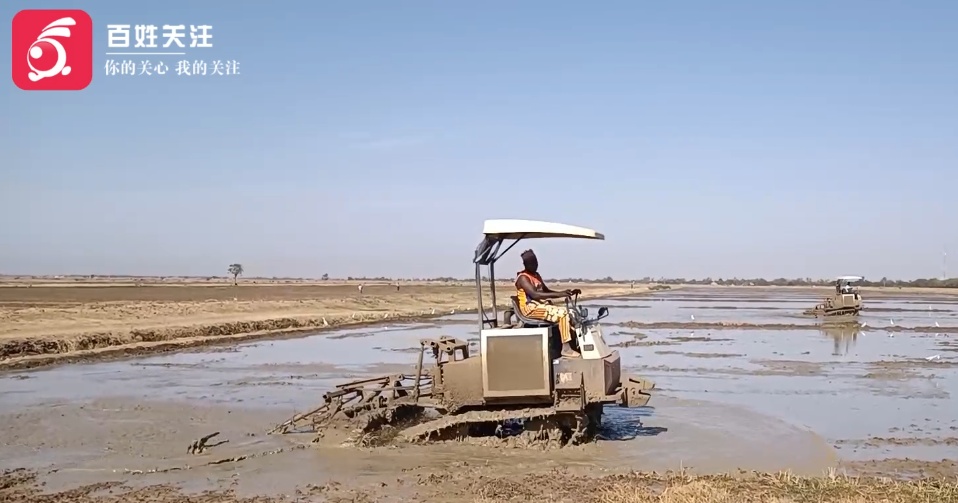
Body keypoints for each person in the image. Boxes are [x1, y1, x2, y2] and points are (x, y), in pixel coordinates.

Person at [514, 249, 582, 358]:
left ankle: (574, 343)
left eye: (536, 262)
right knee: (562, 314)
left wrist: (564, 293)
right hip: (530, 309)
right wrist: (559, 294)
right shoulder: (523, 278)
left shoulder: (536, 275)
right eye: (532, 263)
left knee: (570, 313)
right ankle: (566, 348)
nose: (535, 265)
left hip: (541, 306)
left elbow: (546, 291)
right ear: (526, 264)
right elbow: (535, 295)